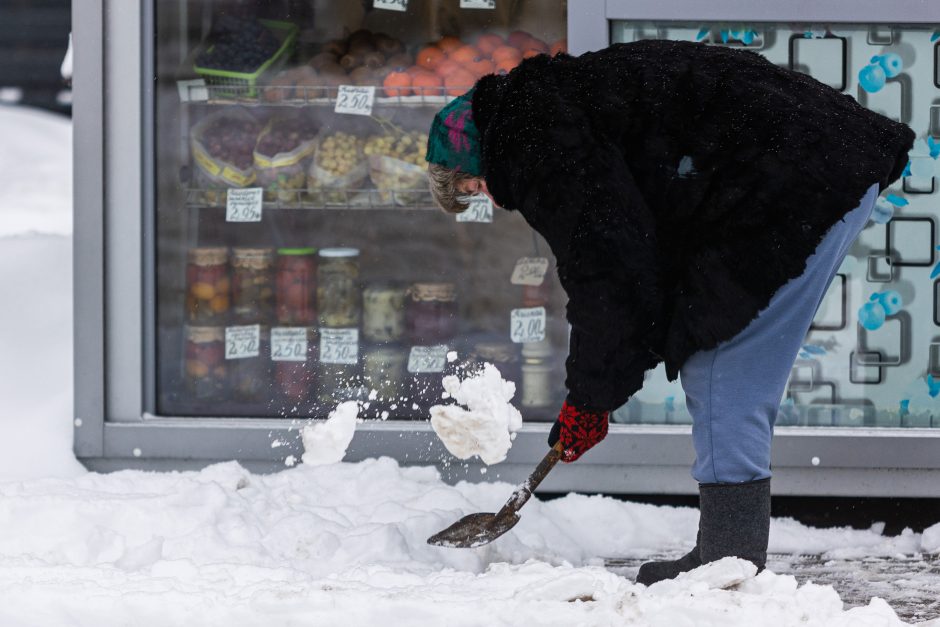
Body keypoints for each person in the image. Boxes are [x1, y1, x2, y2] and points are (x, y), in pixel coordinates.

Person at [424, 39, 914, 584]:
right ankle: (729, 553)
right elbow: (636, 255)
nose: (490, 198)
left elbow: (607, 271)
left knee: (721, 366)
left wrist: (590, 400)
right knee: (710, 349)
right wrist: (613, 376)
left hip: (799, 176)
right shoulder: (546, 107)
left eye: (475, 186)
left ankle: (728, 562)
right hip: (807, 159)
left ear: (477, 157)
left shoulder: (535, 143)